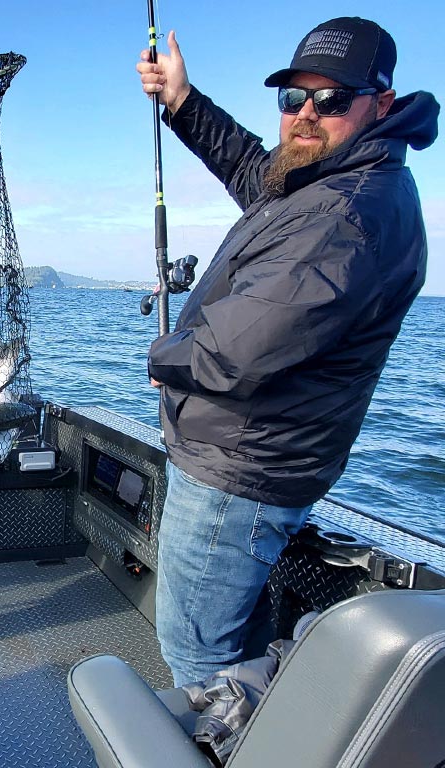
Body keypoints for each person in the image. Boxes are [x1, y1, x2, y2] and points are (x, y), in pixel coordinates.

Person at [135, 17, 438, 686]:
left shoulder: (347, 216)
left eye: (330, 100)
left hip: (236, 473)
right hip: (247, 461)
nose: (305, 114)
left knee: (196, 660)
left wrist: (165, 358)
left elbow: (235, 353)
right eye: (291, 98)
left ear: (380, 103)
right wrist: (183, 102)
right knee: (228, 645)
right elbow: (254, 170)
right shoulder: (332, 176)